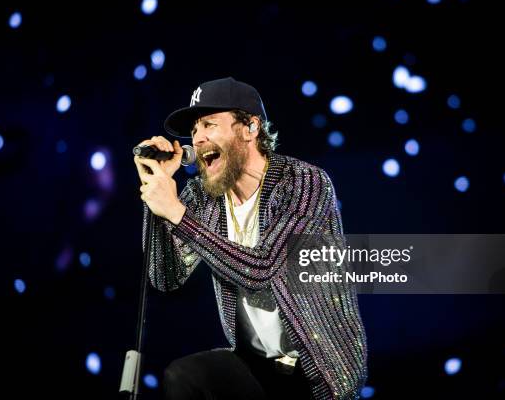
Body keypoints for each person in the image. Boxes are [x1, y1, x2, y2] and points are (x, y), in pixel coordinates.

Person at [134, 77, 367, 399]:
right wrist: (157, 193)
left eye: (209, 125)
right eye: (194, 130)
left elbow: (262, 268)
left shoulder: (303, 183)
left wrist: (176, 213)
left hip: (317, 371)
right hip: (254, 365)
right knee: (185, 375)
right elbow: (166, 277)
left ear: (250, 128)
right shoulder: (204, 196)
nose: (197, 138)